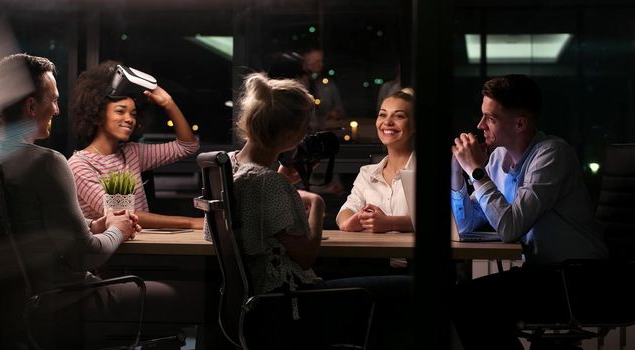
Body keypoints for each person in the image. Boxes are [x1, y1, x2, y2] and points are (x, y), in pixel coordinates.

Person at [0, 53, 199, 348]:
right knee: (204, 296)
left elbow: (34, 228)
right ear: (31, 106)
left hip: (20, 311)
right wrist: (118, 229)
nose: (57, 110)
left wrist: (94, 224)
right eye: (53, 100)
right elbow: (85, 256)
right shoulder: (47, 163)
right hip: (70, 304)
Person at [216, 72, 412, 349]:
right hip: (291, 303)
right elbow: (306, 256)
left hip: (255, 304)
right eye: (305, 127)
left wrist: (282, 181)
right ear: (288, 135)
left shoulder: (233, 170)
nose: (307, 132)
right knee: (412, 289)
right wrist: (317, 206)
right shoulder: (268, 182)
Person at [450, 74, 609, 350]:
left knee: (469, 302)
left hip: (580, 280)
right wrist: (457, 175)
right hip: (544, 274)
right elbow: (466, 226)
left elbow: (510, 227)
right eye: (481, 116)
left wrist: (476, 172)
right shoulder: (498, 158)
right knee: (466, 300)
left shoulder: (551, 155)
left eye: (490, 118)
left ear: (520, 123)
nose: (480, 125)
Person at [68, 61, 202, 229]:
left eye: (133, 113)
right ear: (99, 114)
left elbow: (187, 146)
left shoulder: (131, 153)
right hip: (113, 252)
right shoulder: (79, 165)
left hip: (144, 246)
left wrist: (168, 103)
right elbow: (121, 214)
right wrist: (190, 222)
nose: (129, 119)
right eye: (120, 111)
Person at [336, 88, 415, 233]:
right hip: (375, 254)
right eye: (383, 115)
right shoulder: (368, 173)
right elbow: (346, 210)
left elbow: (441, 218)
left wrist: (390, 223)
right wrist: (348, 223)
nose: (387, 122)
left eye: (399, 116)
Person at [302, 47, 345, 131]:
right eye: (316, 62)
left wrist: (334, 115)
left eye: (321, 61)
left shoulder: (328, 84)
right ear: (305, 63)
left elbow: (340, 110)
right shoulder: (300, 85)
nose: (320, 65)